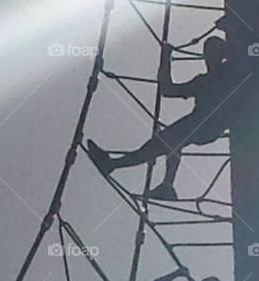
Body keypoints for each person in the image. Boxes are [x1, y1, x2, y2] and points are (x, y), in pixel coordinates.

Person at [87, 38, 235, 200]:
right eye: (207, 52)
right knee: (166, 141)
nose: (208, 57)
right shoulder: (207, 79)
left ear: (221, 55)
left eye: (212, 52)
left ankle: (119, 167)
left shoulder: (224, 74)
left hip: (206, 123)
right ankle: (162, 184)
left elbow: (168, 90)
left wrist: (166, 57)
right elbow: (167, 90)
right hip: (205, 122)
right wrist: (166, 60)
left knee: (168, 140)